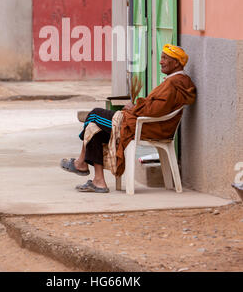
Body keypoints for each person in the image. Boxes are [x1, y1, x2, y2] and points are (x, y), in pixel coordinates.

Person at [60, 44, 196, 193]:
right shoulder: (178, 82)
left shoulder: (173, 83)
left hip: (142, 127)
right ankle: (98, 182)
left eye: (164, 58)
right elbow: (156, 107)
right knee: (94, 128)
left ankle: (81, 163)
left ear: (176, 63)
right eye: (161, 57)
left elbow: (154, 111)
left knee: (94, 114)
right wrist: (138, 106)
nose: (160, 62)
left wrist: (134, 107)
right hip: (146, 125)